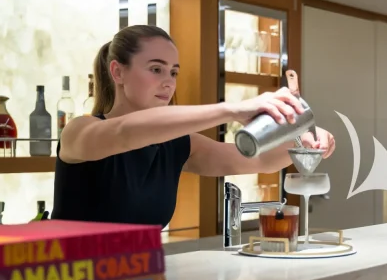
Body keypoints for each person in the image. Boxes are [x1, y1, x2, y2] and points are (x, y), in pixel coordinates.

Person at [51, 25, 335, 228]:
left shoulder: (179, 144)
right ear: (117, 72)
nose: (168, 82)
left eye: (173, 72)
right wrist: (231, 109)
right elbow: (124, 133)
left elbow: (260, 160)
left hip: (136, 279)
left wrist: (304, 141)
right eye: (156, 69)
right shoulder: (79, 132)